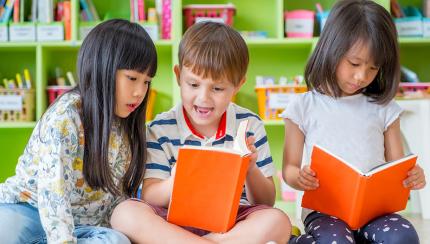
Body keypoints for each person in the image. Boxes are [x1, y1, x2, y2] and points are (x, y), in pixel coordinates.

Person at [111, 21, 292, 244]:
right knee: (124, 213)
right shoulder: (160, 128)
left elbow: (267, 201)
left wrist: (250, 168)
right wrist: (176, 181)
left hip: (233, 222)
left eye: (217, 88)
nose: (203, 98)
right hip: (172, 224)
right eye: (193, 85)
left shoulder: (249, 124)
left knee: (278, 221)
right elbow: (150, 195)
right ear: (178, 76)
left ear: (237, 86)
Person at [0, 19, 157, 243]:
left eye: (147, 82)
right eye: (132, 78)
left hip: (83, 225)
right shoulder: (66, 116)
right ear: (101, 68)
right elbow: (53, 194)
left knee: (116, 241)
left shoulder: (129, 127)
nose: (139, 92)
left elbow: (118, 198)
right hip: (28, 209)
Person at [282, 1, 426, 243]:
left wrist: (412, 176)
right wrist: (300, 177)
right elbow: (289, 169)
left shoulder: (385, 109)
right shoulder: (303, 107)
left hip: (376, 213)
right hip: (326, 211)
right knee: (335, 241)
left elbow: (396, 167)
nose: (362, 76)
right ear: (331, 49)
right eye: (354, 63)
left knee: (404, 238)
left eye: (373, 68)